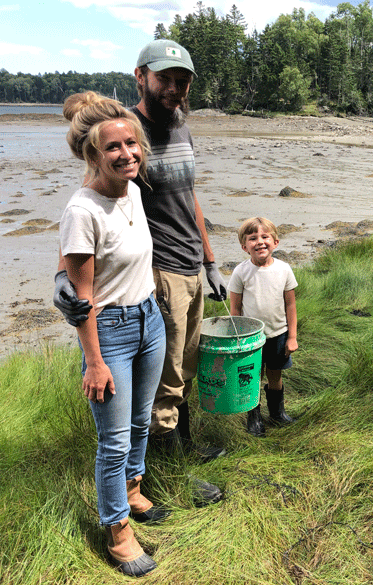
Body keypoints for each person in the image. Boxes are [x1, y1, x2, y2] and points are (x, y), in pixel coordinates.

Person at [54, 40, 226, 505]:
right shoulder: (124, 131)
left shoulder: (181, 127)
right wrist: (62, 279)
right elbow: (89, 204)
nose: (174, 88)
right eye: (164, 78)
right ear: (141, 77)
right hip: (158, 275)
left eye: (182, 80)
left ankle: (180, 451)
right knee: (164, 383)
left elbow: (191, 197)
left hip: (191, 267)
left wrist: (210, 260)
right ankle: (170, 476)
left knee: (183, 370)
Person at [59, 91, 166, 577]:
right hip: (111, 331)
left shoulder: (135, 191)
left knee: (141, 422)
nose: (128, 154)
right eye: (114, 148)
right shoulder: (82, 210)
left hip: (150, 320)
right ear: (93, 156)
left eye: (132, 143)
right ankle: (117, 530)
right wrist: (95, 361)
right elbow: (81, 298)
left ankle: (133, 492)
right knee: (114, 441)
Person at [228, 217, 298, 437]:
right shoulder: (240, 272)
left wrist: (292, 336)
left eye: (265, 237)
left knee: (275, 375)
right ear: (244, 246)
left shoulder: (284, 269)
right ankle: (254, 418)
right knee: (252, 378)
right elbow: (235, 309)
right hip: (250, 338)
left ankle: (277, 413)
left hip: (278, 334)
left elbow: (290, 305)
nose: (259, 242)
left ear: (275, 242)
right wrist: (237, 338)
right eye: (252, 238)